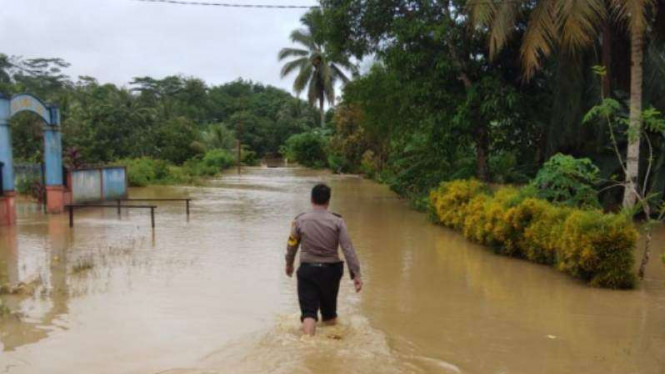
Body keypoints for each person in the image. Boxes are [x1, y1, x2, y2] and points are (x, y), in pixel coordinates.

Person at [285, 183, 363, 336]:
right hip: (331, 272)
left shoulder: (299, 220)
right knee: (329, 313)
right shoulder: (337, 221)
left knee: (309, 312)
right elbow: (348, 249)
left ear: (311, 199)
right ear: (328, 201)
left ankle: (308, 345)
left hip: (308, 270)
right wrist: (356, 275)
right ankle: (332, 343)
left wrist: (289, 264)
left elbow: (291, 245)